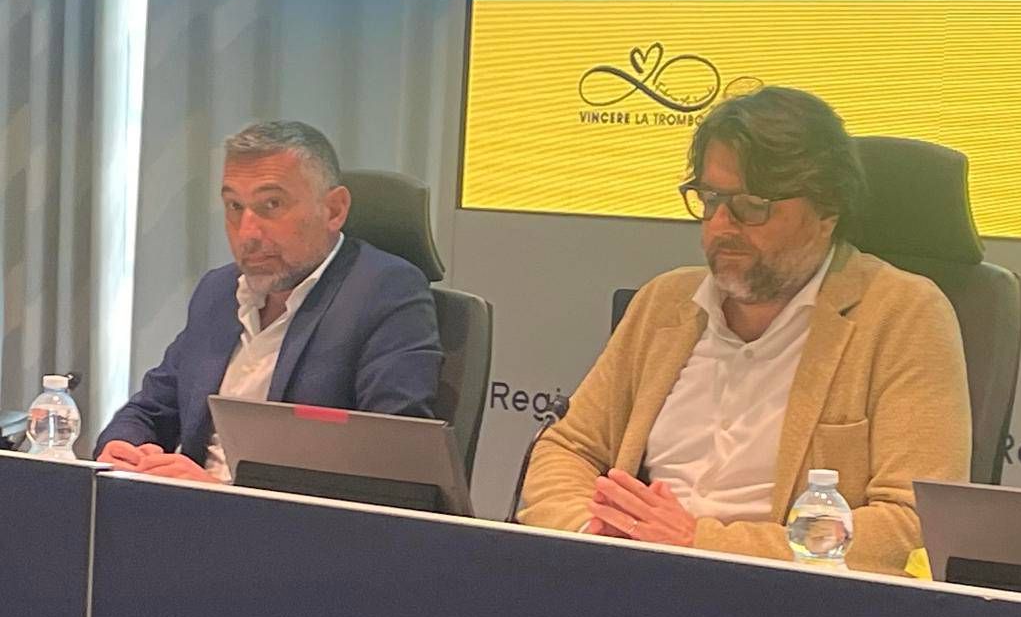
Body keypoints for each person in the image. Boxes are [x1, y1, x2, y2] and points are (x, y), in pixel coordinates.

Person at [519, 86, 970, 575]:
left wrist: (699, 543)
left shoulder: (903, 315)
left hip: (784, 601)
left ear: (826, 213)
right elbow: (568, 448)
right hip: (626, 578)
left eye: (752, 205)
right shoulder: (664, 303)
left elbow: (911, 524)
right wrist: (591, 533)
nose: (720, 225)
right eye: (710, 199)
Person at [94, 121, 442, 482]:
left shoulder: (386, 292)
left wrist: (224, 494)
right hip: (182, 507)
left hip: (284, 516)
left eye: (271, 204)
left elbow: (390, 463)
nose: (247, 233)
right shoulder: (218, 291)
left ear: (334, 210)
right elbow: (152, 408)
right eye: (234, 206)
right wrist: (124, 446)